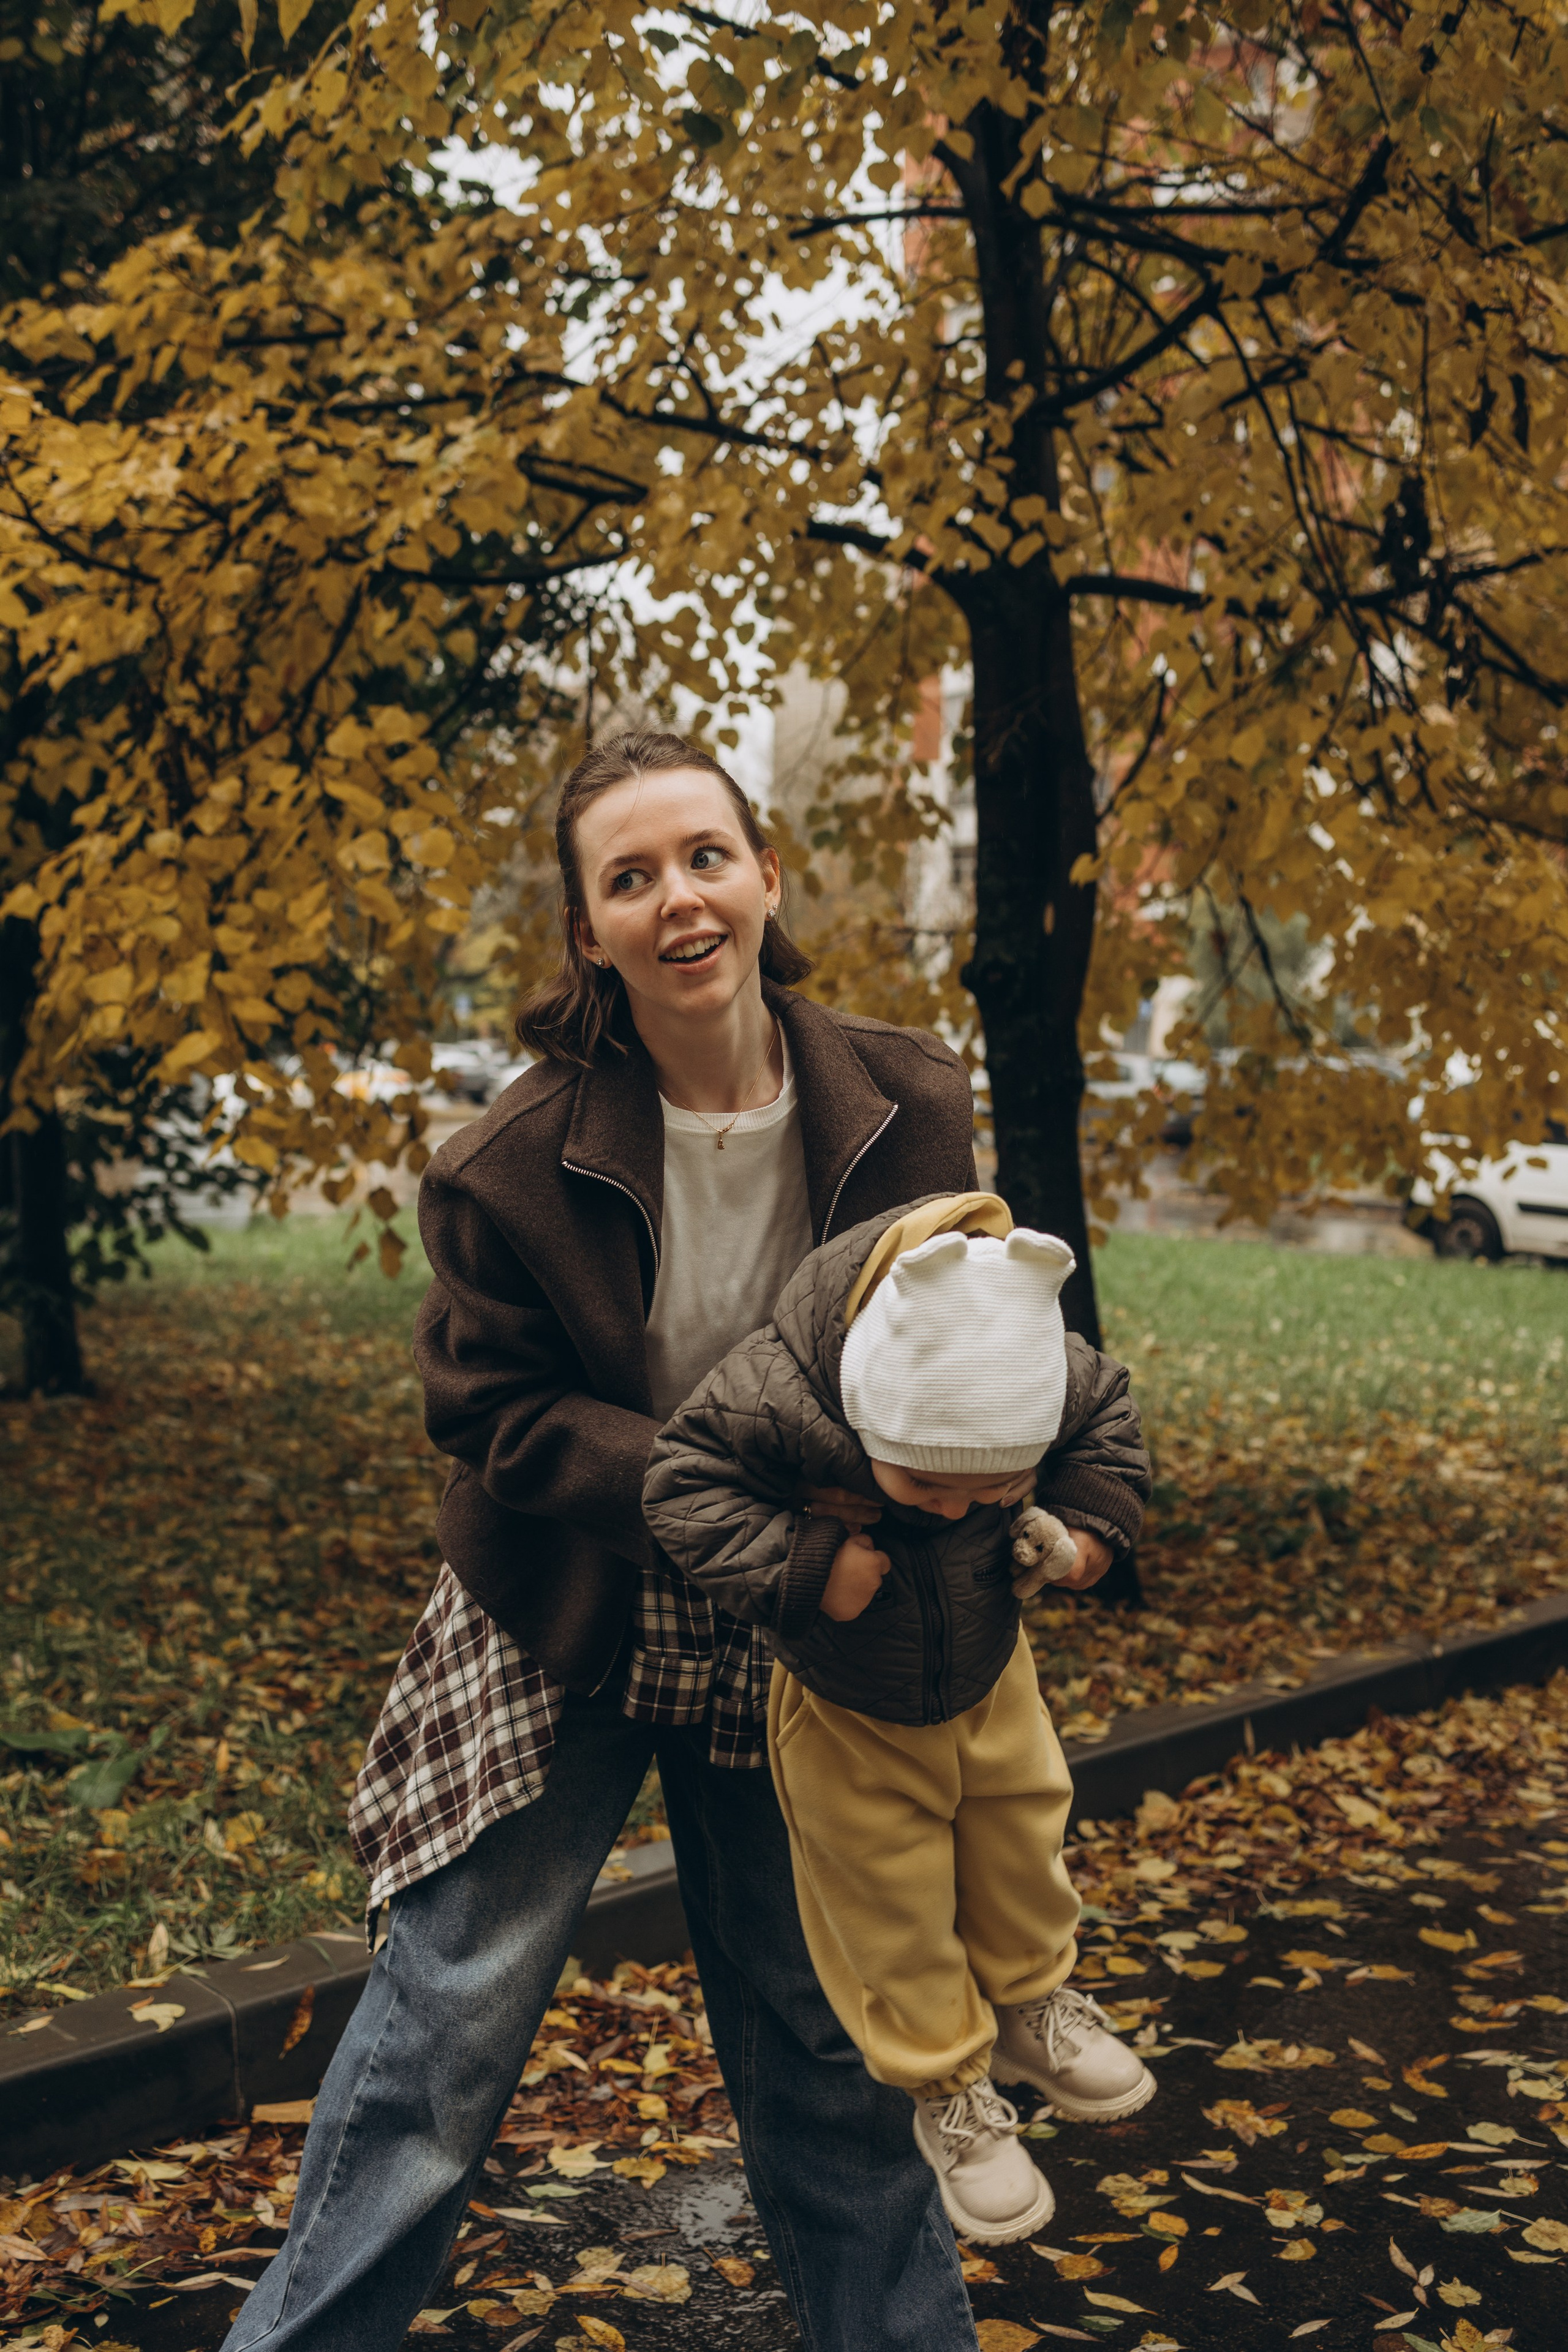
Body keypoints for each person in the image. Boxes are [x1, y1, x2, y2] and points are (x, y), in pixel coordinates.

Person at [223, 728, 1028, 2352]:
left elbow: (963, 1346)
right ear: (586, 931)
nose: (679, 899)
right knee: (444, 2039)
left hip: (811, 1615)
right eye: (631, 876)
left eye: (705, 857)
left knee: (829, 2049)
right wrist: (737, 1498)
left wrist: (1007, 1491)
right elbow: (497, 1418)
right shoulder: (507, 1166)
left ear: (767, 875)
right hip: (571, 1601)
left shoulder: (907, 1106)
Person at [644, 1194, 1155, 2245]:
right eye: (926, 1483)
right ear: (866, 1402)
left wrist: (1082, 1534)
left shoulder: (1031, 1350)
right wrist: (808, 1564)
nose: (956, 1508)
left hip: (990, 1667)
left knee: (1023, 1828)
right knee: (890, 1894)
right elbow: (681, 1485)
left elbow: (1109, 1419)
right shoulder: (784, 1389)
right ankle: (949, 2088)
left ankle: (1034, 2006)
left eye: (990, 1487)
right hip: (848, 1705)